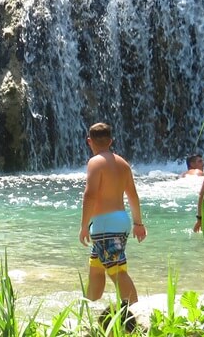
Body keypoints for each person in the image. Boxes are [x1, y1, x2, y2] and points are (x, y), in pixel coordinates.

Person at [79, 122, 147, 313]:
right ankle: (87, 310)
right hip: (120, 220)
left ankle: (137, 312)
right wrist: (138, 223)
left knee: (117, 271)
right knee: (97, 269)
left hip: (104, 224)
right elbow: (133, 196)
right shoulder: (123, 163)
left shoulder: (95, 162)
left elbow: (90, 194)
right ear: (111, 141)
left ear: (89, 141)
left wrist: (84, 226)